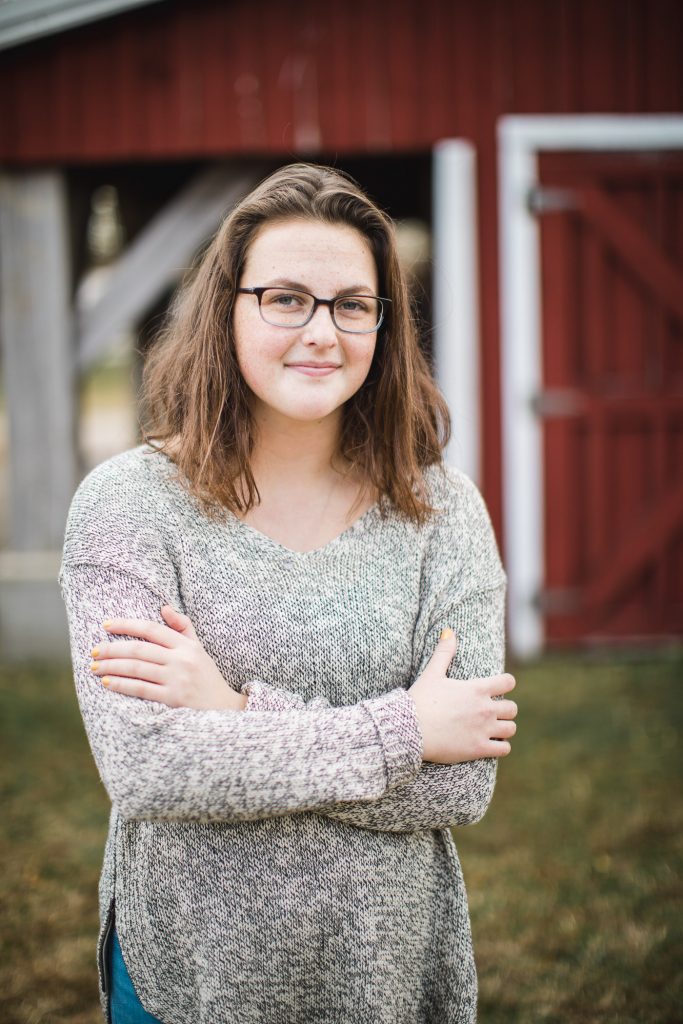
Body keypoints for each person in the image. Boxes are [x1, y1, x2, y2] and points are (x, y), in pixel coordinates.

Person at [59, 162, 517, 1024]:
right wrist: (406, 730)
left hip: (382, 973)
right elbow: (149, 767)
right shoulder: (129, 505)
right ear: (225, 308)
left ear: (383, 324)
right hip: (189, 977)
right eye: (284, 298)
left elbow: (461, 789)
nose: (321, 332)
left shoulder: (443, 510)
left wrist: (233, 715)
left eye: (352, 304)